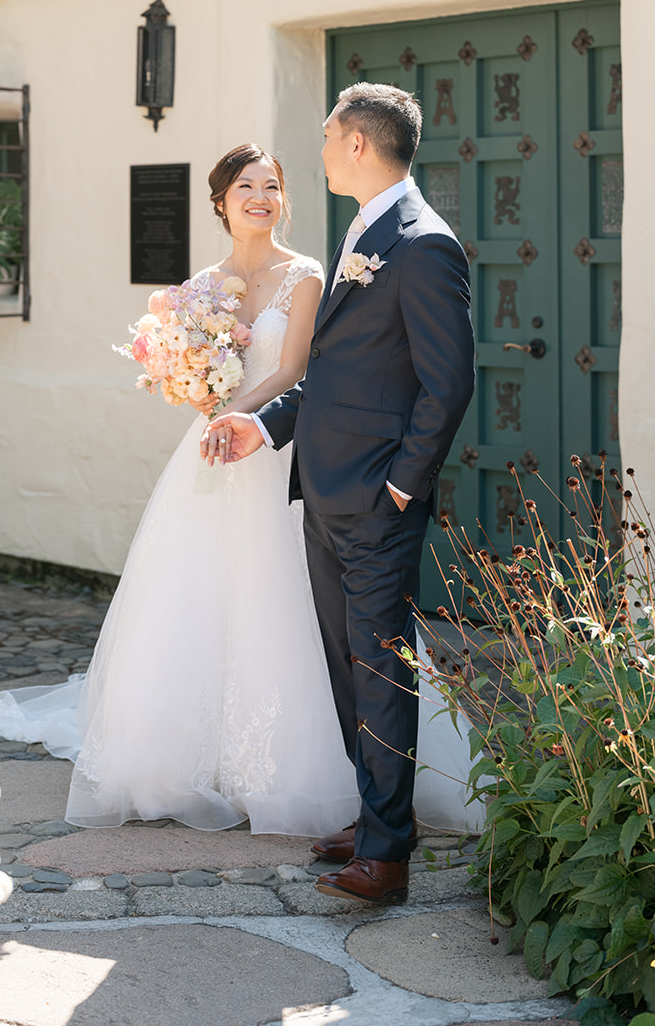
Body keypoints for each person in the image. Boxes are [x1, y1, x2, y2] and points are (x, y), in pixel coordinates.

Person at [0, 137, 481, 843]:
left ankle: (330, 786)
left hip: (284, 453)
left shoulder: (313, 274)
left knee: (298, 608)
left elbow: (303, 370)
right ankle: (197, 755)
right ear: (222, 202)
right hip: (223, 442)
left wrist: (243, 415)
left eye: (272, 186)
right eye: (247, 188)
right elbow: (190, 359)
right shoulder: (204, 284)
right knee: (197, 593)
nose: (262, 198)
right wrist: (194, 383)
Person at [204, 84, 476, 905]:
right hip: (321, 489)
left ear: (358, 144)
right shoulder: (364, 231)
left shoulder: (425, 244)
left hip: (374, 503)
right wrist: (269, 426)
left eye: (326, 137)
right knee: (347, 671)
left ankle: (387, 860)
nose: (316, 151)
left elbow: (448, 383)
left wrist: (401, 488)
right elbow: (339, 374)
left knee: (381, 670)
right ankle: (376, 817)